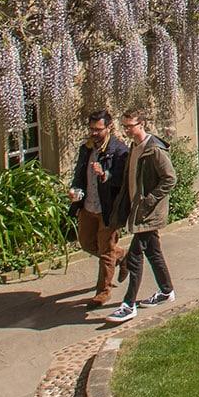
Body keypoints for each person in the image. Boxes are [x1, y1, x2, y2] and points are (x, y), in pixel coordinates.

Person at [104, 108, 175, 325]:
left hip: (148, 213)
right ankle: (166, 291)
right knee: (154, 253)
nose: (126, 130)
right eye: (124, 126)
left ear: (141, 124)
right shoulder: (134, 147)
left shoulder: (154, 150)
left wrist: (149, 200)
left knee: (134, 258)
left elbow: (170, 179)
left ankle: (128, 304)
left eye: (130, 126)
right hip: (139, 210)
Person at [66, 109, 128, 307]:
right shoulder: (86, 148)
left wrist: (104, 175)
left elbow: (121, 179)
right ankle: (122, 256)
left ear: (109, 127)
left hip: (108, 209)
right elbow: (79, 174)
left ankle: (103, 292)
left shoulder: (119, 150)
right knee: (86, 243)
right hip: (88, 207)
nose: (93, 133)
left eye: (98, 129)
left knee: (105, 252)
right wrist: (75, 190)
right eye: (91, 128)